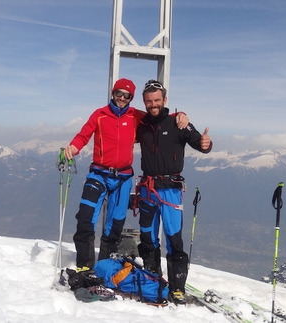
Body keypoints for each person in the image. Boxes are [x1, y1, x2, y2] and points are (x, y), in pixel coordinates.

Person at [64, 78, 188, 273]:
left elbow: (158, 117)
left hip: (122, 177)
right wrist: (74, 147)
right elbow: (84, 135)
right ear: (113, 94)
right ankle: (84, 265)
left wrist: (180, 115)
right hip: (99, 174)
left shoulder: (135, 116)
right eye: (118, 94)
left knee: (115, 223)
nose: (122, 98)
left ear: (131, 97)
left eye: (126, 95)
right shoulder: (99, 115)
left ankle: (105, 266)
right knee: (85, 218)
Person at [135, 79, 212, 305]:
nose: (153, 104)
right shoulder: (141, 124)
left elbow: (200, 143)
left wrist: (207, 144)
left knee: (173, 238)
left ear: (165, 100)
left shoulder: (179, 123)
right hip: (148, 188)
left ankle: (177, 288)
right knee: (148, 237)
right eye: (149, 101)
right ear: (144, 102)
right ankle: (152, 280)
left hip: (170, 189)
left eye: (157, 100)